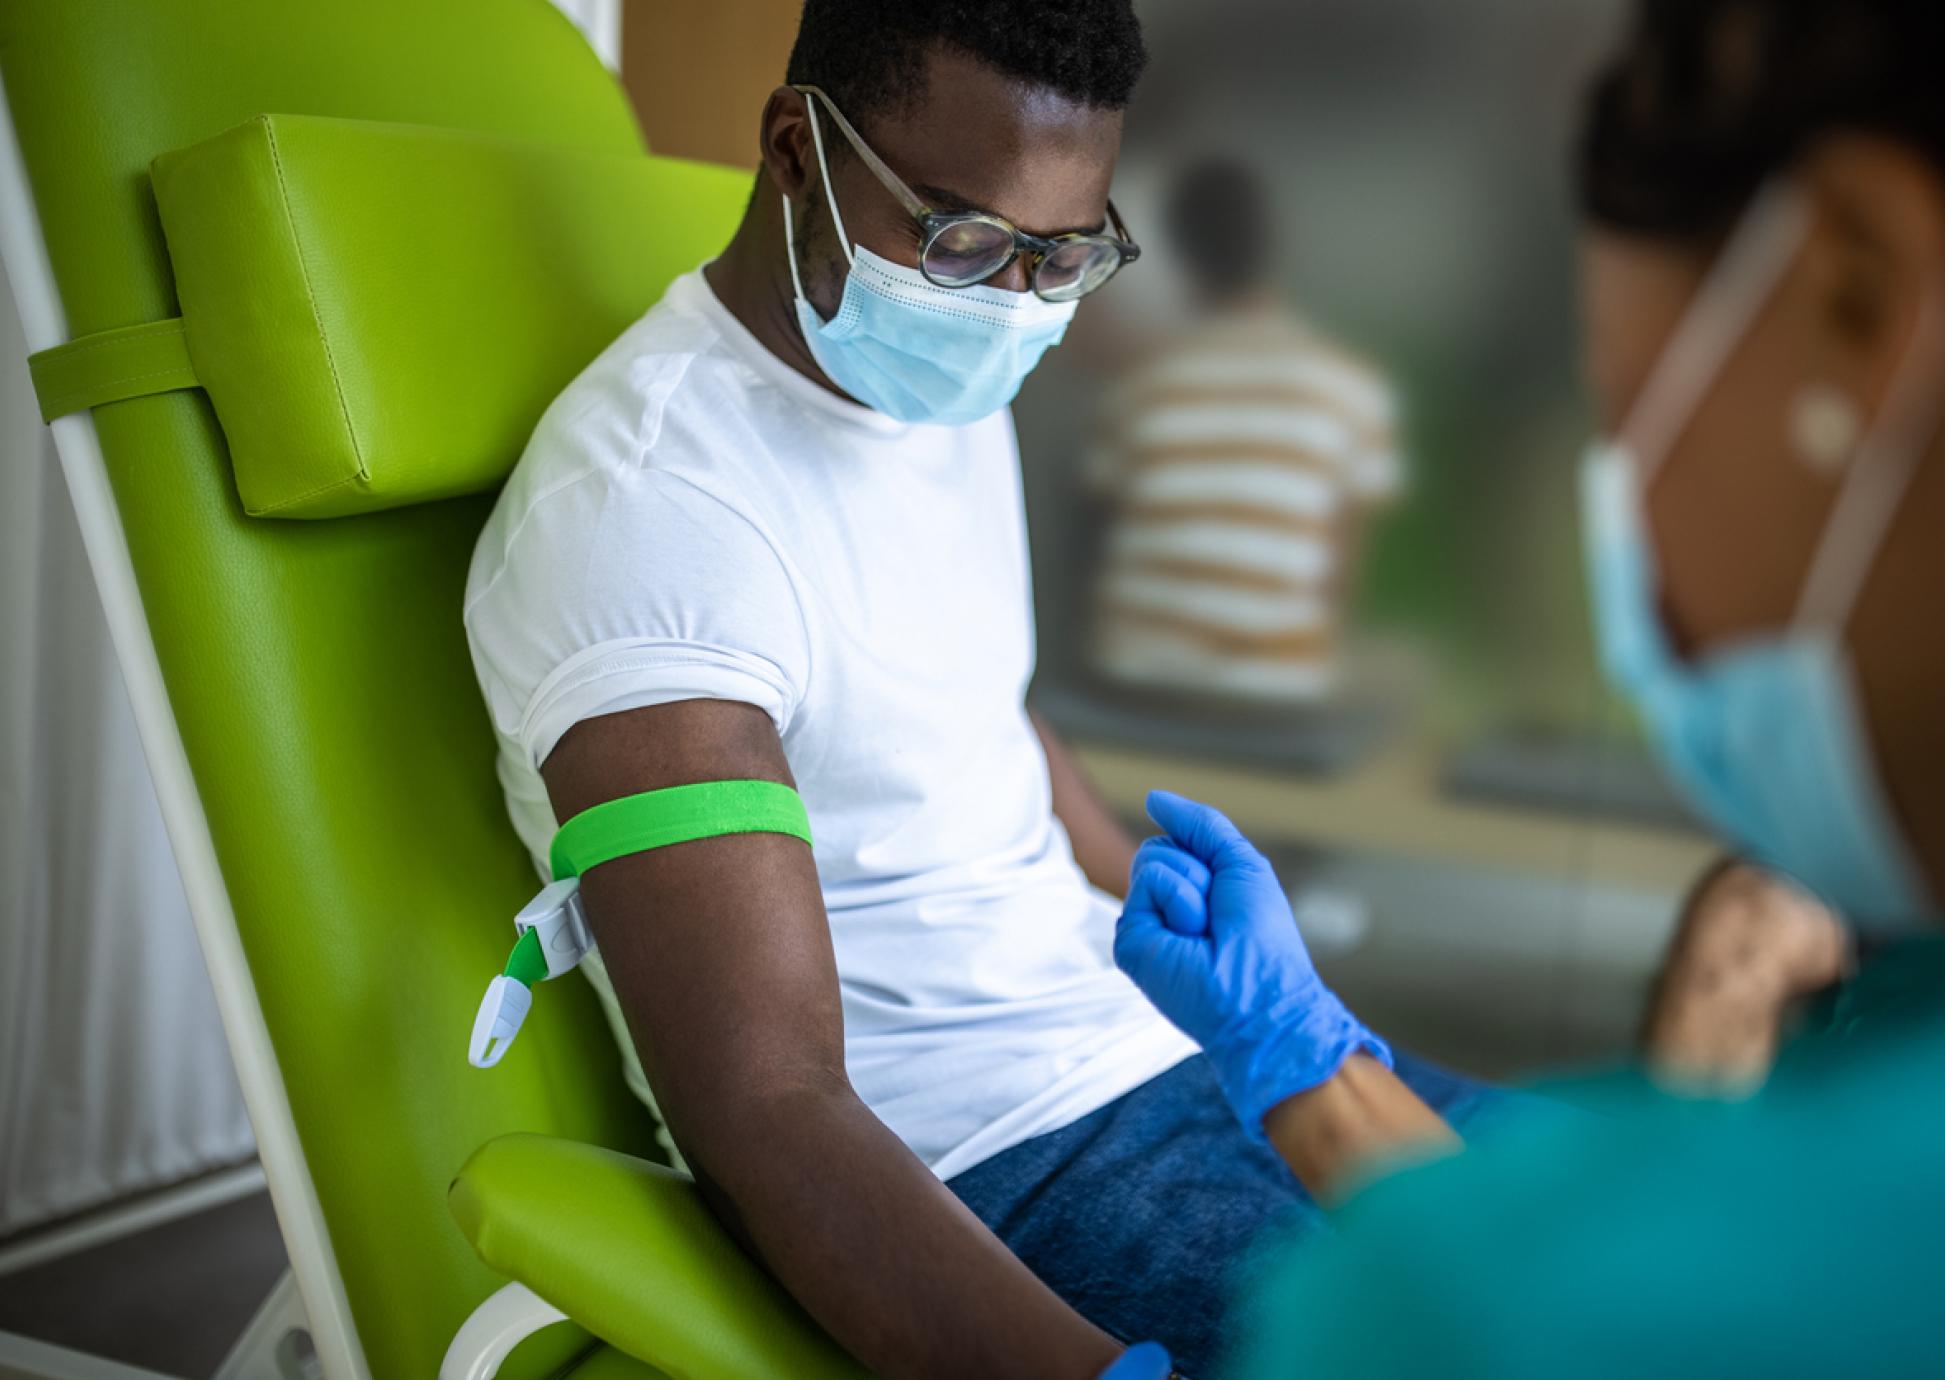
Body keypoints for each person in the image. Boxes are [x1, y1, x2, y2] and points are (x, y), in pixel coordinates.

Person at [463, 3, 1500, 1375]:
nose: (1017, 305)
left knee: (1661, 1243)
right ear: (794, 150)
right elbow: (771, 1105)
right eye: (964, 241)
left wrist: (1237, 979)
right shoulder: (652, 514)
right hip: (1004, 1153)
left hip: (1164, 1043)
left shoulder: (938, 378)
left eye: (1066, 258)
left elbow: (977, 709)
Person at [1111, 0, 1945, 1373]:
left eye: (1625, 419)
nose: (1635, 547)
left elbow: (1579, 1290)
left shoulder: (1478, 1312)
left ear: (1860, 304)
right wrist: (1298, 1057)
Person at [1085, 156, 1402, 704]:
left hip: (1136, 682)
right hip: (1274, 693)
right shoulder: (1353, 389)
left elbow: (1109, 530)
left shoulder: (1141, 382)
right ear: (1277, 248)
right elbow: (1340, 579)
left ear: (1181, 256)